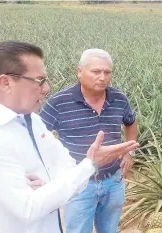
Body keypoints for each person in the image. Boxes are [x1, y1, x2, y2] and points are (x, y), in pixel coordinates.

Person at [0, 41, 139, 233]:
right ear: (6, 82)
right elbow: (29, 208)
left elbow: (64, 162)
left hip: (107, 183)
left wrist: (50, 186)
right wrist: (89, 165)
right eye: (39, 80)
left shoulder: (29, 120)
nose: (47, 88)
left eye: (107, 72)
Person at [39, 48, 137, 233]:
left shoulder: (119, 99)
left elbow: (130, 122)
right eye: (96, 71)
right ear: (79, 71)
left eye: (107, 72)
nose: (102, 77)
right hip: (79, 184)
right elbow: (38, 135)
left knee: (109, 229)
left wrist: (129, 153)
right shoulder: (59, 102)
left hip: (113, 180)